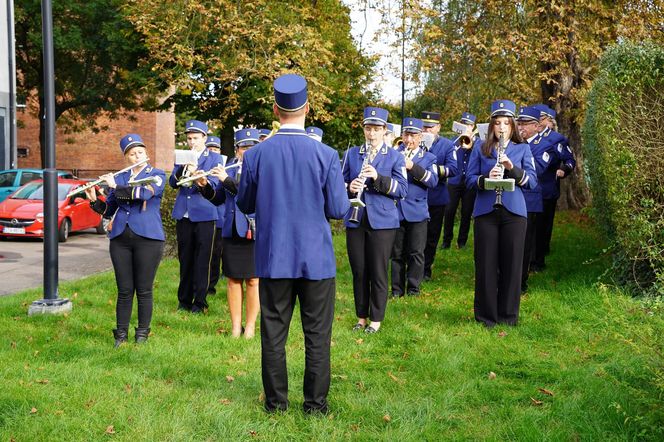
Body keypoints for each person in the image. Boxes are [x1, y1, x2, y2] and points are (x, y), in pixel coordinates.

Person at [237, 74, 349, 414]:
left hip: (275, 257)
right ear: (307, 109)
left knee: (273, 333)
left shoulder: (256, 155)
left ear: (275, 109)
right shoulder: (326, 154)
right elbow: (338, 209)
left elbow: (244, 204)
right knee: (317, 335)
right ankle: (315, 405)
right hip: (316, 259)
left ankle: (276, 404)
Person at [86, 134, 166, 347]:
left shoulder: (156, 174)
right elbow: (109, 210)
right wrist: (95, 201)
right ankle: (120, 334)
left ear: (146, 153)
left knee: (144, 288)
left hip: (149, 238)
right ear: (126, 158)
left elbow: (144, 194)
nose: (136, 155)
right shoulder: (120, 178)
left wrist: (114, 186)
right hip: (120, 238)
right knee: (124, 289)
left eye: (140, 152)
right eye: (131, 154)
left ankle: (142, 333)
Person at [465, 99, 537, 327]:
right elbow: (467, 180)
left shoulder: (523, 148)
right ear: (492, 126)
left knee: (512, 265)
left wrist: (511, 168)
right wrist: (487, 180)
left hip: (514, 213)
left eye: (507, 123)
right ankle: (486, 317)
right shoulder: (480, 148)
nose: (502, 127)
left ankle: (508, 317)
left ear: (513, 126)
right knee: (485, 264)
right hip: (486, 211)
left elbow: (532, 182)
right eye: (498, 123)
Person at [342, 106, 408, 333]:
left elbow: (402, 189)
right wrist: (350, 186)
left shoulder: (394, 156)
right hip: (356, 218)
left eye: (376, 129)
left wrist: (378, 177)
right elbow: (338, 183)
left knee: (378, 270)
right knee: (359, 270)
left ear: (384, 131)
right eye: (368, 129)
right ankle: (361, 317)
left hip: (383, 221)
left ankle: (376, 320)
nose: (371, 134)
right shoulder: (352, 154)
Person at [198, 129, 260, 338]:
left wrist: (225, 180)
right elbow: (219, 199)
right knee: (233, 279)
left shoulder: (263, 168)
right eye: (244, 147)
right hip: (232, 229)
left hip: (253, 230)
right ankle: (235, 327)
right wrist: (205, 187)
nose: (248, 151)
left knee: (253, 280)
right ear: (237, 150)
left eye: (252, 147)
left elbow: (250, 194)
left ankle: (250, 327)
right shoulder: (230, 168)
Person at [168, 120, 223, 314]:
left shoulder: (215, 158)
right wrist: (185, 169)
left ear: (204, 138)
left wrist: (201, 180)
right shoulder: (183, 158)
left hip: (205, 213)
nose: (192, 142)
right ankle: (183, 300)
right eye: (189, 138)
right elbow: (173, 183)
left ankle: (200, 302)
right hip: (184, 214)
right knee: (185, 259)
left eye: (196, 138)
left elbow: (216, 186)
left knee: (203, 260)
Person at [391, 118, 438, 297]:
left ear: (420, 137)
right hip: (397, 210)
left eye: (413, 136)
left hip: (417, 212)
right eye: (406, 135)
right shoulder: (394, 153)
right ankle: (396, 290)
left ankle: (413, 289)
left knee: (416, 252)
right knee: (396, 253)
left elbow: (433, 181)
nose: (409, 140)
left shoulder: (428, 157)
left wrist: (413, 167)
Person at [530, 104, 576, 270]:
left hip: (546, 188)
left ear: (548, 120)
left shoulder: (556, 139)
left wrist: (564, 169)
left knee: (542, 226)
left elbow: (570, 160)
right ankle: (529, 258)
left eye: (541, 119)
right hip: (528, 187)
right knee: (529, 226)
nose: (539, 122)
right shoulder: (525, 137)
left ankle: (538, 261)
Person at [516, 106, 551, 294]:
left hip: (529, 201)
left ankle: (521, 282)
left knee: (524, 244)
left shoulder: (543, 145)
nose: (520, 127)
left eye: (525, 124)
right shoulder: (512, 142)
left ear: (537, 126)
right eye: (519, 123)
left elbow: (537, 170)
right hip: (510, 197)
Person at [421, 111, 458, 280]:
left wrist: (434, 170)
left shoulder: (447, 145)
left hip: (436, 197)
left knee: (432, 235)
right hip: (414, 197)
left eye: (431, 127)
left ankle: (426, 269)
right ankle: (413, 267)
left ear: (438, 128)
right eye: (424, 127)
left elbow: (453, 169)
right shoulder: (414, 142)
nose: (427, 130)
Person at [443, 112, 481, 249]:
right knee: (449, 211)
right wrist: (460, 139)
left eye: (469, 125)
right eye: (464, 124)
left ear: (473, 127)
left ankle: (462, 242)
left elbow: (482, 153)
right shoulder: (454, 141)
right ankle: (446, 241)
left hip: (469, 182)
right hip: (454, 181)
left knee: (466, 211)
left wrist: (472, 143)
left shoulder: (478, 142)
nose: (467, 127)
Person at [204, 135, 228, 297]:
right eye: (210, 149)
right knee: (213, 253)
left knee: (224, 252)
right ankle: (210, 285)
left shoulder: (227, 166)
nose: (213, 151)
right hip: (215, 216)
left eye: (215, 149)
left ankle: (225, 273)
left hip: (225, 216)